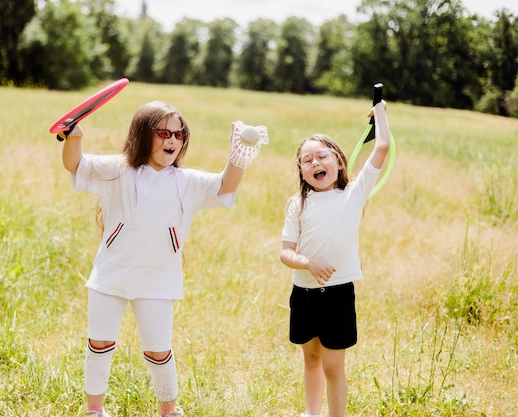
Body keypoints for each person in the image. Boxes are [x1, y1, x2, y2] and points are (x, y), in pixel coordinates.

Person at [59, 100, 267, 417]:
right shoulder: (118, 170)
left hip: (159, 279)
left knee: (159, 350)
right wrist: (74, 138)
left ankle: (168, 411)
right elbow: (76, 165)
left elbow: (227, 184)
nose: (172, 140)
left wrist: (238, 151)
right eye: (162, 132)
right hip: (111, 275)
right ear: (143, 134)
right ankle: (93, 409)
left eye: (179, 134)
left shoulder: (186, 182)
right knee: (99, 344)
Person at [279, 100, 390, 417]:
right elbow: (285, 253)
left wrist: (379, 113)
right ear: (302, 170)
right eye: (306, 160)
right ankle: (311, 414)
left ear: (340, 162)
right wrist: (308, 263)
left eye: (322, 155)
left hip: (338, 295)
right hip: (303, 294)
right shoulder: (299, 204)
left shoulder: (354, 194)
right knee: (310, 359)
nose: (314, 162)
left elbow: (382, 146)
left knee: (332, 366)